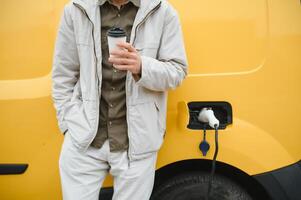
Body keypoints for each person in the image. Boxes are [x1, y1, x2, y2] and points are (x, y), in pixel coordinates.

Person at [51, 0, 187, 199]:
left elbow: (177, 71)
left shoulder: (163, 12)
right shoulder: (76, 10)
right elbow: (63, 74)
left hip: (137, 145)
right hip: (84, 140)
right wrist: (68, 124)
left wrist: (142, 66)